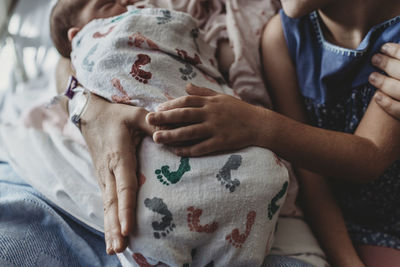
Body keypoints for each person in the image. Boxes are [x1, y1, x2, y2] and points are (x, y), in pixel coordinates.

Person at [144, 0, 400, 266]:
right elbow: (310, 173)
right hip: (340, 225)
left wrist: (258, 125)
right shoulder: (281, 37)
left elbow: (368, 156)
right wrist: (346, 259)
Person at [50, 1, 290, 266]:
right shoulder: (107, 29)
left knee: (266, 175)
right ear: (78, 33)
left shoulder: (279, 23)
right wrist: (88, 109)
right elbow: (67, 63)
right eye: (108, 3)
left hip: (231, 132)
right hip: (146, 164)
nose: (124, 3)